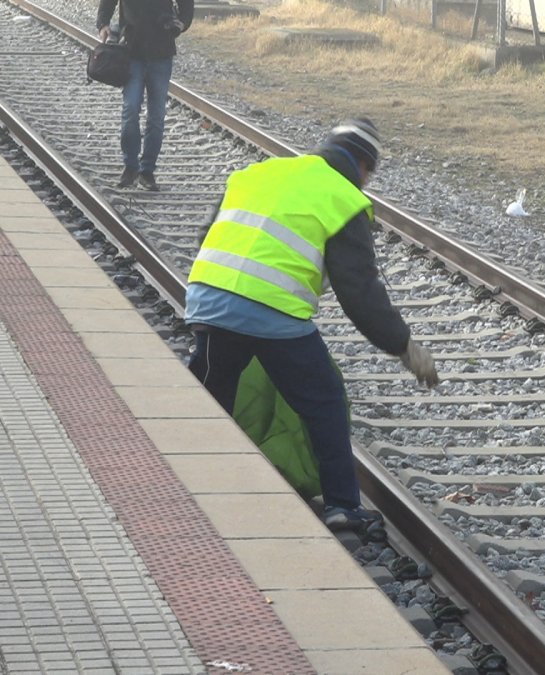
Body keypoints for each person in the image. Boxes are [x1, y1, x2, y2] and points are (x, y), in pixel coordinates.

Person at [184, 118, 439, 537]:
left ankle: (189, 475)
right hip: (273, 314)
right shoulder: (343, 198)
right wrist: (404, 347)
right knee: (324, 400)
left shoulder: (261, 171)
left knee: (212, 391)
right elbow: (359, 293)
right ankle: (342, 505)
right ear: (363, 166)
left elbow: (208, 235)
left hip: (208, 298)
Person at [96, 0, 193, 191]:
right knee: (130, 108)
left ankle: (147, 171)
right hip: (131, 50)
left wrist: (183, 22)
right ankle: (130, 167)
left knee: (156, 116)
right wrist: (103, 24)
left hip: (162, 52)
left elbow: (186, 4)